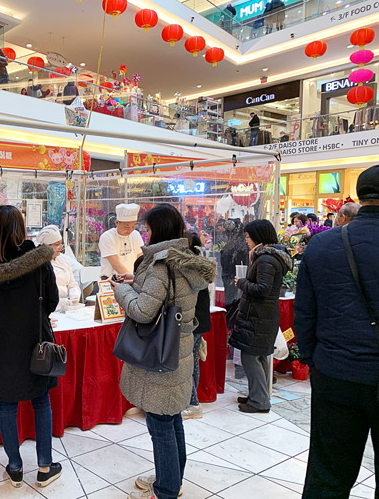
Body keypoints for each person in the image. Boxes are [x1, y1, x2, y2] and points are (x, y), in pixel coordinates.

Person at [111, 204, 215, 499]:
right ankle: (173, 479)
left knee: (160, 426)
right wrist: (138, 283)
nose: (145, 233)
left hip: (158, 358)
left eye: (148, 228)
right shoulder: (185, 260)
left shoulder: (160, 264)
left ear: (158, 229)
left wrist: (121, 290)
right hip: (177, 352)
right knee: (172, 419)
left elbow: (143, 311)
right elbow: (165, 295)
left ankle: (166, 489)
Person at [0, 205, 63, 489]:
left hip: (1, 342)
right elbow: (52, 301)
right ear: (21, 228)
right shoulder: (38, 259)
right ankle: (45, 467)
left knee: (7, 405)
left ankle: (15, 468)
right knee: (40, 401)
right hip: (34, 339)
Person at [295, 165, 379, 498]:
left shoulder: (322, 245)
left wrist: (317, 360)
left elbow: (305, 314)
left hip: (336, 372)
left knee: (328, 472)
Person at [229, 219, 292, 413]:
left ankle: (259, 402)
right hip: (261, 315)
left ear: (258, 237)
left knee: (250, 357)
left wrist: (242, 283)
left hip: (259, 315)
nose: (246, 241)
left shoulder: (265, 259)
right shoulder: (269, 257)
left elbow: (263, 289)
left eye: (248, 237)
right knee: (260, 357)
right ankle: (258, 396)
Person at [182, 232, 212, 421]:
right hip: (199, 321)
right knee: (192, 361)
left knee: (187, 363)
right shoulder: (200, 265)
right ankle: (192, 401)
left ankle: (192, 403)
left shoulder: (190, 267)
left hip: (192, 322)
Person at [36, 225, 80, 309]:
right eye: (56, 244)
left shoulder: (64, 260)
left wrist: (74, 295)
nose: (61, 247)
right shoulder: (39, 264)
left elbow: (72, 283)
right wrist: (60, 302)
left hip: (68, 306)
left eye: (61, 244)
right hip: (50, 308)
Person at [99, 204, 144, 279]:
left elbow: (140, 259)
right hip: (111, 280)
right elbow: (117, 265)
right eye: (127, 226)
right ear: (117, 223)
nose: (130, 229)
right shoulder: (107, 237)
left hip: (132, 280)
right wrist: (134, 280)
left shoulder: (135, 235)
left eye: (133, 226)